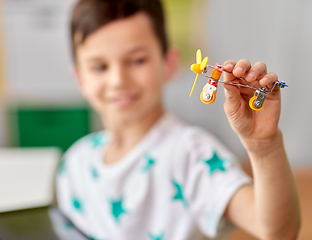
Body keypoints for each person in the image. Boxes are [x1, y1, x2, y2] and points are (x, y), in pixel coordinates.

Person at [55, 0, 301, 239]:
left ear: (169, 63)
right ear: (80, 78)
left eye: (137, 60)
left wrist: (264, 147)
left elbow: (278, 231)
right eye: (99, 67)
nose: (118, 80)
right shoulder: (73, 166)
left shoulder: (192, 154)